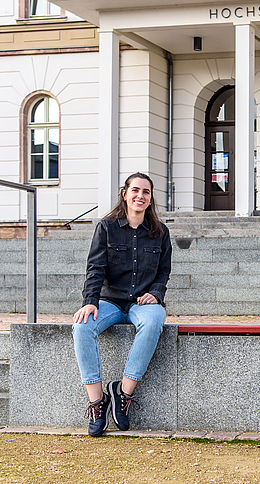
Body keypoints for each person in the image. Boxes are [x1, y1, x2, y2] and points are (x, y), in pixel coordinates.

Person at [72, 172, 171, 436]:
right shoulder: (106, 227)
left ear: (150, 200)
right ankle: (97, 402)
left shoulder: (160, 232)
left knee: (154, 321)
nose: (140, 196)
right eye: (135, 190)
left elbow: (163, 271)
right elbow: (95, 267)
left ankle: (123, 393)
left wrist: (156, 293)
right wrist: (90, 302)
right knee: (82, 327)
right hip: (110, 300)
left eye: (146, 192)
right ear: (124, 194)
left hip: (142, 302)